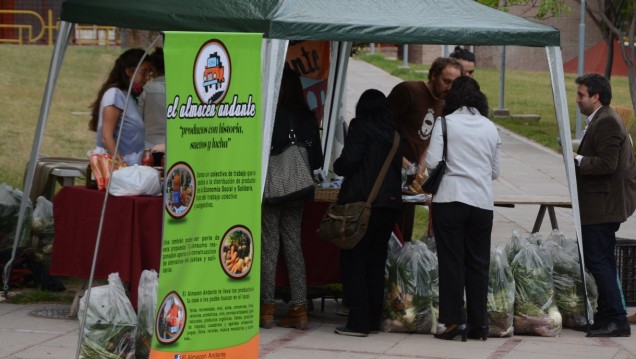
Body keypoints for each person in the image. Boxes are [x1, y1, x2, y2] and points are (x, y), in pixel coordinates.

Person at [425, 76, 501, 341]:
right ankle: (480, 323)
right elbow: (495, 170)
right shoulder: (490, 127)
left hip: (450, 199)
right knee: (479, 263)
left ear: (452, 98)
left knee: (451, 262)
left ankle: (452, 321)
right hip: (481, 202)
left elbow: (433, 162)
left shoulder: (444, 123)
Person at [332, 89, 403, 337]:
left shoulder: (360, 127)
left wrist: (336, 166)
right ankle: (373, 318)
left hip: (363, 204)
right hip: (390, 205)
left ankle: (358, 322)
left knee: (354, 261)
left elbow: (349, 161)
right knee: (375, 261)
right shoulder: (394, 134)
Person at [573, 73, 636, 337]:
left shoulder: (608, 121)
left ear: (595, 96)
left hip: (603, 206)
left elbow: (607, 164)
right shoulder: (602, 119)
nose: (577, 100)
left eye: (581, 95)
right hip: (600, 204)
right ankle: (606, 315)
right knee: (601, 260)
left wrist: (576, 159)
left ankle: (617, 320)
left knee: (599, 261)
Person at [260, 67, 322, 330]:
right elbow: (317, 160)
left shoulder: (270, 115)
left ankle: (266, 308)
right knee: (293, 244)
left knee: (270, 244)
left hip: (273, 189)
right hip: (299, 189)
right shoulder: (308, 117)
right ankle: (299, 308)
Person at [387, 57, 462, 241]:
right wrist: (401, 159)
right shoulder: (409, 91)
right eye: (446, 81)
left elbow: (428, 138)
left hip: (411, 176)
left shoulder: (443, 103)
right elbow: (383, 126)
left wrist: (421, 164)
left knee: (405, 230)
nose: (450, 87)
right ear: (433, 75)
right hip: (389, 169)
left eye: (455, 83)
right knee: (387, 227)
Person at [89, 48, 153, 166]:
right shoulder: (115, 94)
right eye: (144, 72)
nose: (147, 77)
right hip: (117, 169)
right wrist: (122, 166)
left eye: (150, 73)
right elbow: (106, 137)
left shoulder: (130, 96)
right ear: (129, 72)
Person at [139, 47, 166, 160]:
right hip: (172, 145)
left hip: (149, 147)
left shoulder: (146, 90)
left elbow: (138, 119)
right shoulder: (181, 90)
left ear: (153, 69)